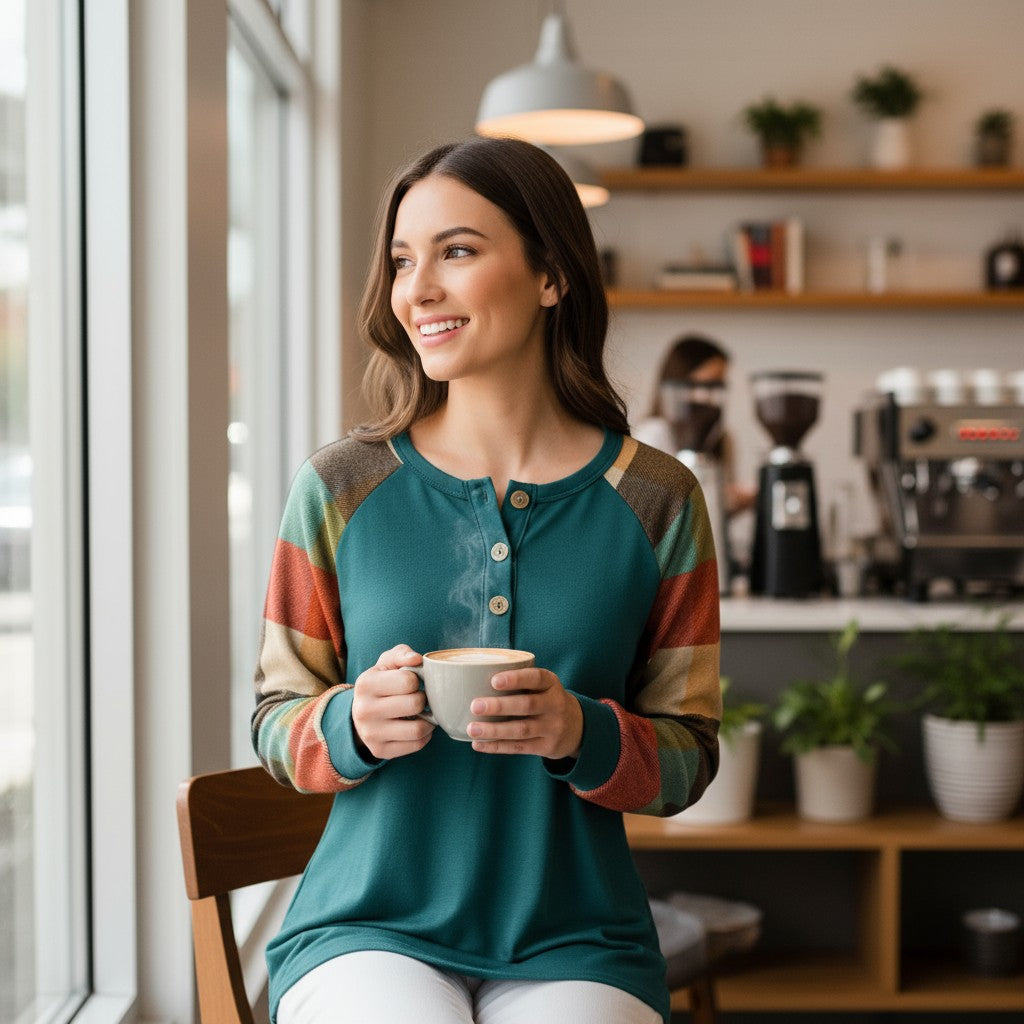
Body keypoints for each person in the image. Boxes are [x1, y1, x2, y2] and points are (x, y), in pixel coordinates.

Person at [251, 137, 721, 1024]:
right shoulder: (339, 486)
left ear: (551, 274)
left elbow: (691, 756)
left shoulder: (659, 498)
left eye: (456, 251)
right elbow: (277, 721)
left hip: (581, 939)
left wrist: (580, 728)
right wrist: (352, 720)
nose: (416, 288)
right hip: (364, 929)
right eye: (401, 261)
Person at [633, 334, 755, 515]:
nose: (714, 396)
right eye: (709, 384)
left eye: (721, 385)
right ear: (677, 385)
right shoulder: (652, 435)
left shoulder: (722, 439)